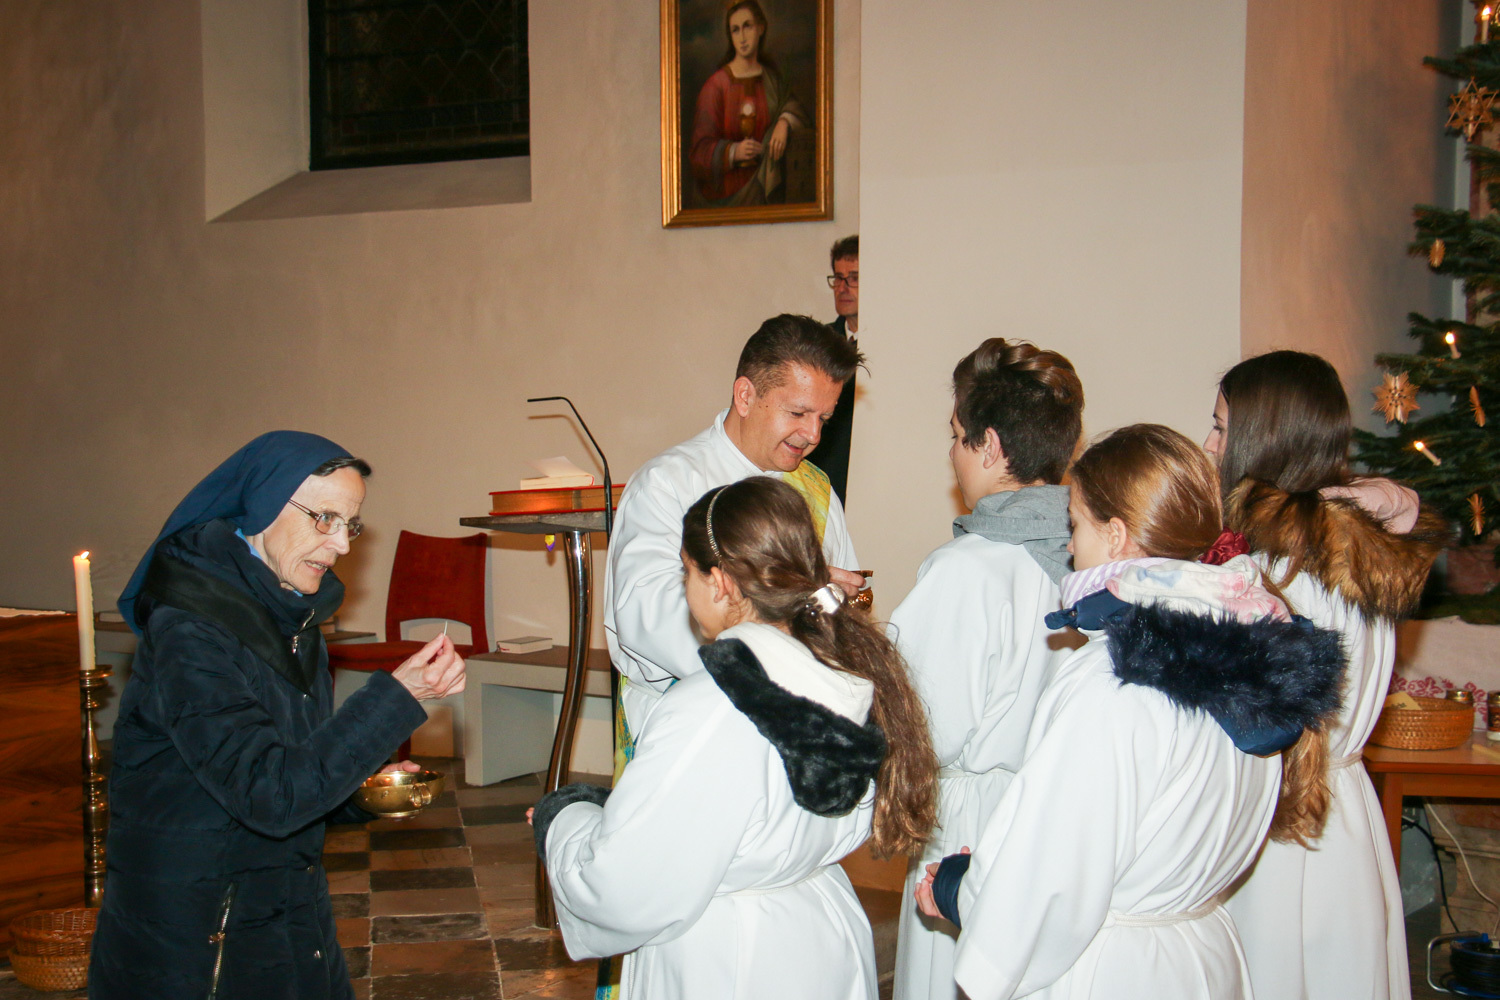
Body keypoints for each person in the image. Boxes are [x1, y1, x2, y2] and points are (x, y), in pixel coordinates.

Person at [915, 424, 1346, 1000]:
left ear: (1116, 536)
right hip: (1201, 952)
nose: (1068, 548)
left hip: (1113, 967)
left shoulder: (1117, 682)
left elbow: (1053, 878)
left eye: (1075, 525)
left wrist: (960, 890)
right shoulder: (1248, 648)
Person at [89, 432, 467, 1000]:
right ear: (264, 506)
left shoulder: (291, 615)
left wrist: (361, 792)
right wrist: (396, 697)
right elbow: (271, 796)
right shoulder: (191, 629)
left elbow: (291, 770)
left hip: (285, 919)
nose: (341, 544)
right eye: (325, 519)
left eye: (351, 524)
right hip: (201, 942)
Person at [532, 478, 937, 999]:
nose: (685, 587)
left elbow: (623, 884)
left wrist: (564, 820)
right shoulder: (845, 671)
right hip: (821, 933)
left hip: (727, 954)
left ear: (720, 582)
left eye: (686, 571)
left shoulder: (712, 704)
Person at [1209, 351, 1445, 1000]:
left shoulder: (1272, 571)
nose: (1210, 445)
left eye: (1223, 428)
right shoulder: (1361, 551)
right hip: (1348, 814)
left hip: (1286, 812)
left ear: (1265, 437)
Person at [891, 338, 1083, 1000]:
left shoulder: (968, 571)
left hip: (970, 834)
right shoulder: (1092, 562)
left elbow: (918, 728)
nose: (951, 453)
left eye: (956, 436)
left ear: (991, 447)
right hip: (1055, 822)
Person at [605, 313, 864, 749]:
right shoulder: (669, 483)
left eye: (825, 417)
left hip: (793, 724)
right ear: (745, 395)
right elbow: (647, 617)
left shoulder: (817, 491)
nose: (813, 434)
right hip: (686, 724)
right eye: (798, 412)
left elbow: (837, 617)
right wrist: (784, 607)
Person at [689, 0, 806, 206]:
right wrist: (733, 152)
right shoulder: (716, 85)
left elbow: (794, 108)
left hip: (765, 196)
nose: (742, 37)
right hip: (727, 199)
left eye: (747, 26)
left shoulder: (771, 80)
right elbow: (699, 152)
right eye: (735, 30)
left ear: (761, 28)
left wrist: (784, 121)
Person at [806, 235, 860, 503]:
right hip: (822, 472)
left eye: (854, 278)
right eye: (838, 278)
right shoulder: (819, 342)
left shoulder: (890, 345)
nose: (842, 288)